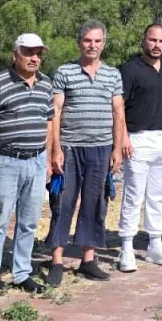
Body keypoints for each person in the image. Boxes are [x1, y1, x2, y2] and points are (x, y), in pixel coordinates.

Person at [0, 32, 58, 302]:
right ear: (15, 54)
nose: (34, 58)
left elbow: (48, 122)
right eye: (28, 52)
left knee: (29, 221)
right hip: (7, 160)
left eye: (38, 53)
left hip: (36, 160)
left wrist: (47, 158)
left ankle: (22, 272)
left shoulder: (46, 84)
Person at [46, 20, 125, 283]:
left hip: (101, 148)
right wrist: (55, 149)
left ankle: (87, 260)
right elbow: (55, 112)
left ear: (104, 44)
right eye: (88, 41)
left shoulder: (112, 74)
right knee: (62, 201)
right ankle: (56, 260)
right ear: (79, 43)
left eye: (97, 41)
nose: (92, 45)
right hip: (69, 148)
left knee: (95, 203)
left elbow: (118, 112)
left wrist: (117, 148)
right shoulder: (64, 72)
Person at [117, 24, 162, 271]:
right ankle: (127, 248)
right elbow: (118, 106)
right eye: (152, 40)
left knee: (158, 195)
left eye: (161, 41)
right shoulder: (130, 70)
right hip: (137, 139)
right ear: (144, 41)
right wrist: (122, 137)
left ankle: (155, 243)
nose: (157, 45)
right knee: (133, 194)